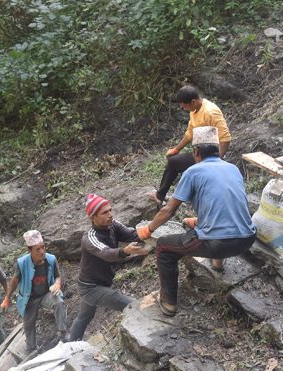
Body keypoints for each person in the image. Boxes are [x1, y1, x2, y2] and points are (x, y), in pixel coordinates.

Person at [137, 126, 256, 317]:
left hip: (217, 243)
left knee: (163, 248)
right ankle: (217, 265)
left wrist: (148, 229)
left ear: (196, 151)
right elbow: (225, 205)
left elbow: (168, 210)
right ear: (217, 150)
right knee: (217, 230)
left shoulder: (193, 171)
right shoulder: (233, 169)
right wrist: (200, 220)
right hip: (248, 238)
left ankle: (168, 303)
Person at [69, 194, 150, 341]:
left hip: (98, 284)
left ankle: (70, 344)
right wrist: (125, 251)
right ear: (93, 217)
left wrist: (151, 232)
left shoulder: (112, 225)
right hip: (90, 288)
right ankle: (145, 337)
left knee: (84, 317)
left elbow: (131, 234)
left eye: (110, 210)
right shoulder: (90, 237)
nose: (110, 215)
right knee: (132, 305)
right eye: (105, 212)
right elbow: (106, 253)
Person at [147, 85, 232, 205]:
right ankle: (160, 195)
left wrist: (218, 160)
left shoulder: (210, 112)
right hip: (199, 152)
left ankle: (165, 197)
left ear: (193, 101)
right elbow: (190, 133)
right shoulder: (194, 110)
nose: (184, 109)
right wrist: (176, 149)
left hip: (210, 156)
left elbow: (226, 138)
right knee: (173, 160)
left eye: (184, 106)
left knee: (175, 164)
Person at [2, 230, 69, 352]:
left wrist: (57, 283)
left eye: (43, 247)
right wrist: (7, 298)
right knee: (28, 324)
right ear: (29, 250)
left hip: (46, 294)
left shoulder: (51, 259)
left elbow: (57, 276)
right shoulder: (22, 263)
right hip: (29, 298)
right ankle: (31, 349)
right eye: (37, 249)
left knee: (58, 302)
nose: (42, 251)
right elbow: (15, 281)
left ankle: (63, 333)